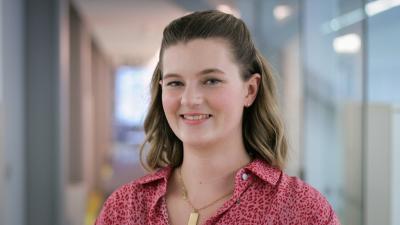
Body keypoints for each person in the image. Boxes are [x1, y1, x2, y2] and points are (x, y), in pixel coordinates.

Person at [95, 10, 340, 225]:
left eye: (211, 81)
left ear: (250, 90)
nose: (190, 99)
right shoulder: (124, 208)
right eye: (175, 83)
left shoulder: (303, 211)